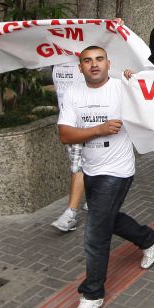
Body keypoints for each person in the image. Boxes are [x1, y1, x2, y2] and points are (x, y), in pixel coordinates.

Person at [59, 46, 154, 308]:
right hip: (91, 170)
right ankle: (148, 238)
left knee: (95, 233)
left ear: (109, 63)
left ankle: (92, 293)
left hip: (117, 171)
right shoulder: (73, 93)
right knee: (106, 218)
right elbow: (65, 135)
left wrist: (138, 83)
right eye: (87, 61)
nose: (94, 65)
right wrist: (99, 129)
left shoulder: (122, 89)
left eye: (99, 59)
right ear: (80, 67)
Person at [50, 60, 87, 232]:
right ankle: (95, 200)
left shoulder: (85, 55)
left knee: (78, 167)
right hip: (68, 121)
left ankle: (70, 214)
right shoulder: (53, 57)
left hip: (86, 121)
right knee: (81, 166)